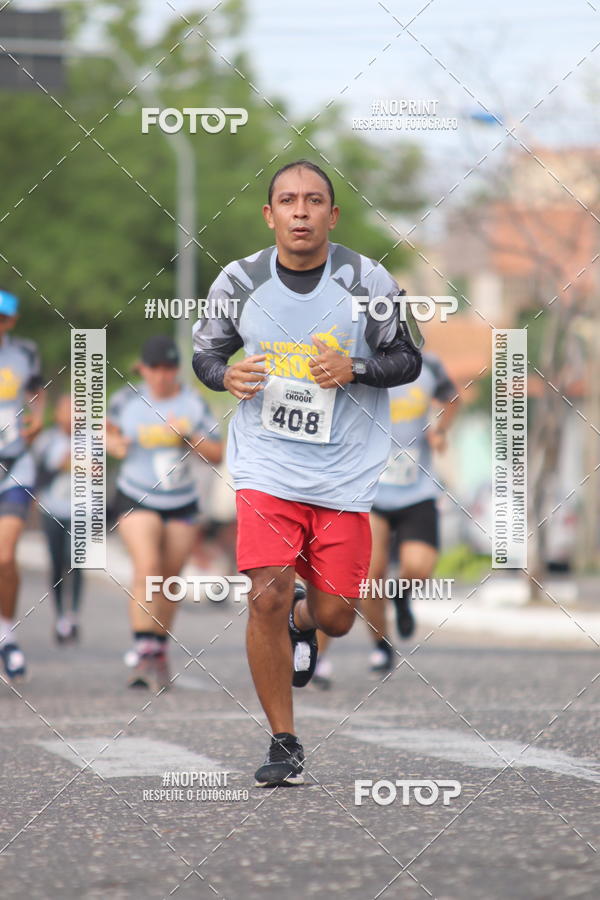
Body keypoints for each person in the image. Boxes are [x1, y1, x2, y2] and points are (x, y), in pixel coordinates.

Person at [192, 159, 422, 786]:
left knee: (337, 617)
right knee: (264, 594)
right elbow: (207, 355)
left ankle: (304, 620)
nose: (301, 211)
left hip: (344, 474)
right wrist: (225, 375)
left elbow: (408, 358)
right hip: (266, 465)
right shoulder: (238, 281)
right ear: (269, 215)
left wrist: (356, 368)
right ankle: (283, 740)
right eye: (289, 201)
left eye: (314, 200)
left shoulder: (368, 281)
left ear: (332, 215)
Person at [107, 335, 223, 691]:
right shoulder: (126, 399)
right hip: (136, 496)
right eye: (155, 368)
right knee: (147, 567)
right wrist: (114, 443)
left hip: (181, 501)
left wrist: (187, 436)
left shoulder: (193, 403)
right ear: (142, 369)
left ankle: (158, 649)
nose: (162, 376)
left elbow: (218, 454)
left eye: (169, 368)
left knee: (170, 581)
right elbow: (103, 434)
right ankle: (143, 649)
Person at [362, 352, 460, 672]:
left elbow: (452, 399)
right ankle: (381, 645)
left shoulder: (428, 364)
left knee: (419, 567)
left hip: (417, 488)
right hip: (371, 491)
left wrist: (441, 430)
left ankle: (401, 593)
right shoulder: (360, 361)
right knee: (371, 576)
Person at [0, 289, 45, 681]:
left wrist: (37, 420)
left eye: (2, 318)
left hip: (15, 465)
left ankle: (6, 635)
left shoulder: (25, 353)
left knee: (4, 555)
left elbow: (36, 396)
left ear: (11, 321)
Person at [34, 394, 83, 644]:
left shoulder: (91, 440)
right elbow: (37, 476)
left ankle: (73, 615)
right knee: (55, 563)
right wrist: (60, 465)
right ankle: (60, 615)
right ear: (57, 413)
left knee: (74, 561)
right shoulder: (46, 440)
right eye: (68, 410)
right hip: (52, 509)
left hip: (81, 511)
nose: (73, 415)